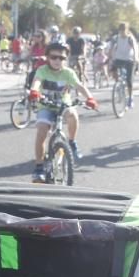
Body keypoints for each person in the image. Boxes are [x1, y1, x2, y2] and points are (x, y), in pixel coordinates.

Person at [28, 42, 98, 182]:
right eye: (54, 57)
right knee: (42, 131)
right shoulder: (42, 70)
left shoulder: (68, 73)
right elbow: (36, 81)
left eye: (61, 58)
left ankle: (71, 142)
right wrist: (34, 91)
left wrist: (90, 98)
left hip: (63, 105)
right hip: (46, 106)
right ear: (47, 57)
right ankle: (39, 167)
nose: (57, 61)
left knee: (72, 114)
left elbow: (79, 86)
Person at [109, 22, 139, 109]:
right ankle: (118, 84)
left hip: (129, 59)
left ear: (127, 30)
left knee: (129, 80)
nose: (122, 32)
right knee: (113, 69)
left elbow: (135, 48)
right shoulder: (116, 38)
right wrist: (110, 57)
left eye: (123, 30)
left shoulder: (130, 38)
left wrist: (136, 57)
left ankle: (130, 98)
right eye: (120, 30)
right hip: (119, 59)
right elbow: (111, 48)